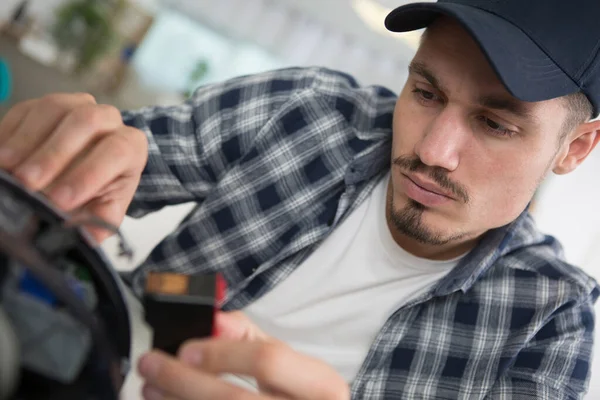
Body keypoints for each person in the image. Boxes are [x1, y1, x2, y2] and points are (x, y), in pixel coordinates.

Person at [1, 0, 600, 398]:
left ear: (575, 147)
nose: (434, 150)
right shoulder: (305, 112)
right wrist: (72, 153)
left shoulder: (550, 315)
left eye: (495, 124)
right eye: (425, 91)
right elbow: (108, 166)